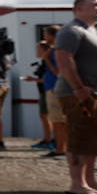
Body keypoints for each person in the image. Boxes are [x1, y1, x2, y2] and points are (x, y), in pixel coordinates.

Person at [53, 0, 97, 194]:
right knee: (80, 137)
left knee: (95, 137)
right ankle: (77, 184)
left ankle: (90, 180)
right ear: (78, 8)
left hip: (96, 93)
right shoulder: (71, 30)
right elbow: (63, 59)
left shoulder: (95, 31)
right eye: (95, 4)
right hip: (76, 93)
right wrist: (78, 88)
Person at [37, 26, 68, 157]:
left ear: (52, 36)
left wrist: (47, 59)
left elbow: (58, 72)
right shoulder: (57, 50)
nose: (44, 37)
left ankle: (61, 149)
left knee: (58, 121)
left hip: (55, 88)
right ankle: (62, 147)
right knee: (59, 121)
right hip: (54, 88)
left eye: (45, 34)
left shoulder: (55, 52)